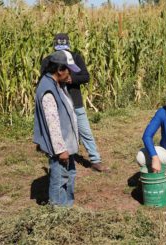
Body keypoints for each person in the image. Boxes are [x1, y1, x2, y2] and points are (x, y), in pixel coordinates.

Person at [41, 33, 109, 172]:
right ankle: (61, 159)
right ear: (55, 47)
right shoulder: (48, 60)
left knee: (85, 132)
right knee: (60, 132)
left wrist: (72, 79)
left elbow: (85, 76)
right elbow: (44, 79)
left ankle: (95, 160)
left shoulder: (76, 58)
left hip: (75, 102)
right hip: (59, 104)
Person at [34, 50, 80, 206]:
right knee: (59, 179)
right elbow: (52, 123)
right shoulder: (48, 90)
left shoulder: (56, 84)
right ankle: (58, 211)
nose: (70, 75)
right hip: (61, 147)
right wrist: (61, 150)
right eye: (68, 70)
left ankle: (67, 207)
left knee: (69, 175)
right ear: (59, 70)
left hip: (66, 144)